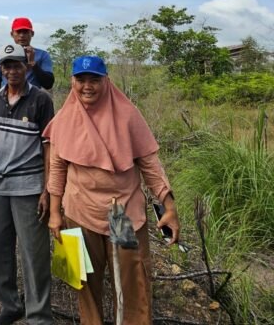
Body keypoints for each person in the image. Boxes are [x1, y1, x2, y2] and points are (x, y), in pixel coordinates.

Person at [44, 56, 181, 325]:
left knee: (132, 282)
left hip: (122, 214)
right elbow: (57, 168)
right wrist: (54, 213)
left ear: (105, 81)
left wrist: (170, 207)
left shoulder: (127, 114)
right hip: (77, 212)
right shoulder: (64, 118)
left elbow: (150, 164)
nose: (87, 86)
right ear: (72, 81)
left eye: (94, 80)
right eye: (81, 80)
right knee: (83, 280)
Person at [0, 44, 55, 324]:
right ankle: (10, 305)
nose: (11, 71)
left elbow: (50, 147)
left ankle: (38, 316)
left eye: (17, 65)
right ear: (1, 69)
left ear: (27, 67)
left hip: (28, 186)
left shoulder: (41, 100)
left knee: (33, 254)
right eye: (6, 66)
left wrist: (47, 189)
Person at [0, 18, 54, 93]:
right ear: (12, 34)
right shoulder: (1, 55)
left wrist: (33, 64)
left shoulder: (42, 55)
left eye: (25, 32)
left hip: (32, 99)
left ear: (32, 33)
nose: (22, 35)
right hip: (6, 98)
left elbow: (48, 84)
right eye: (18, 32)